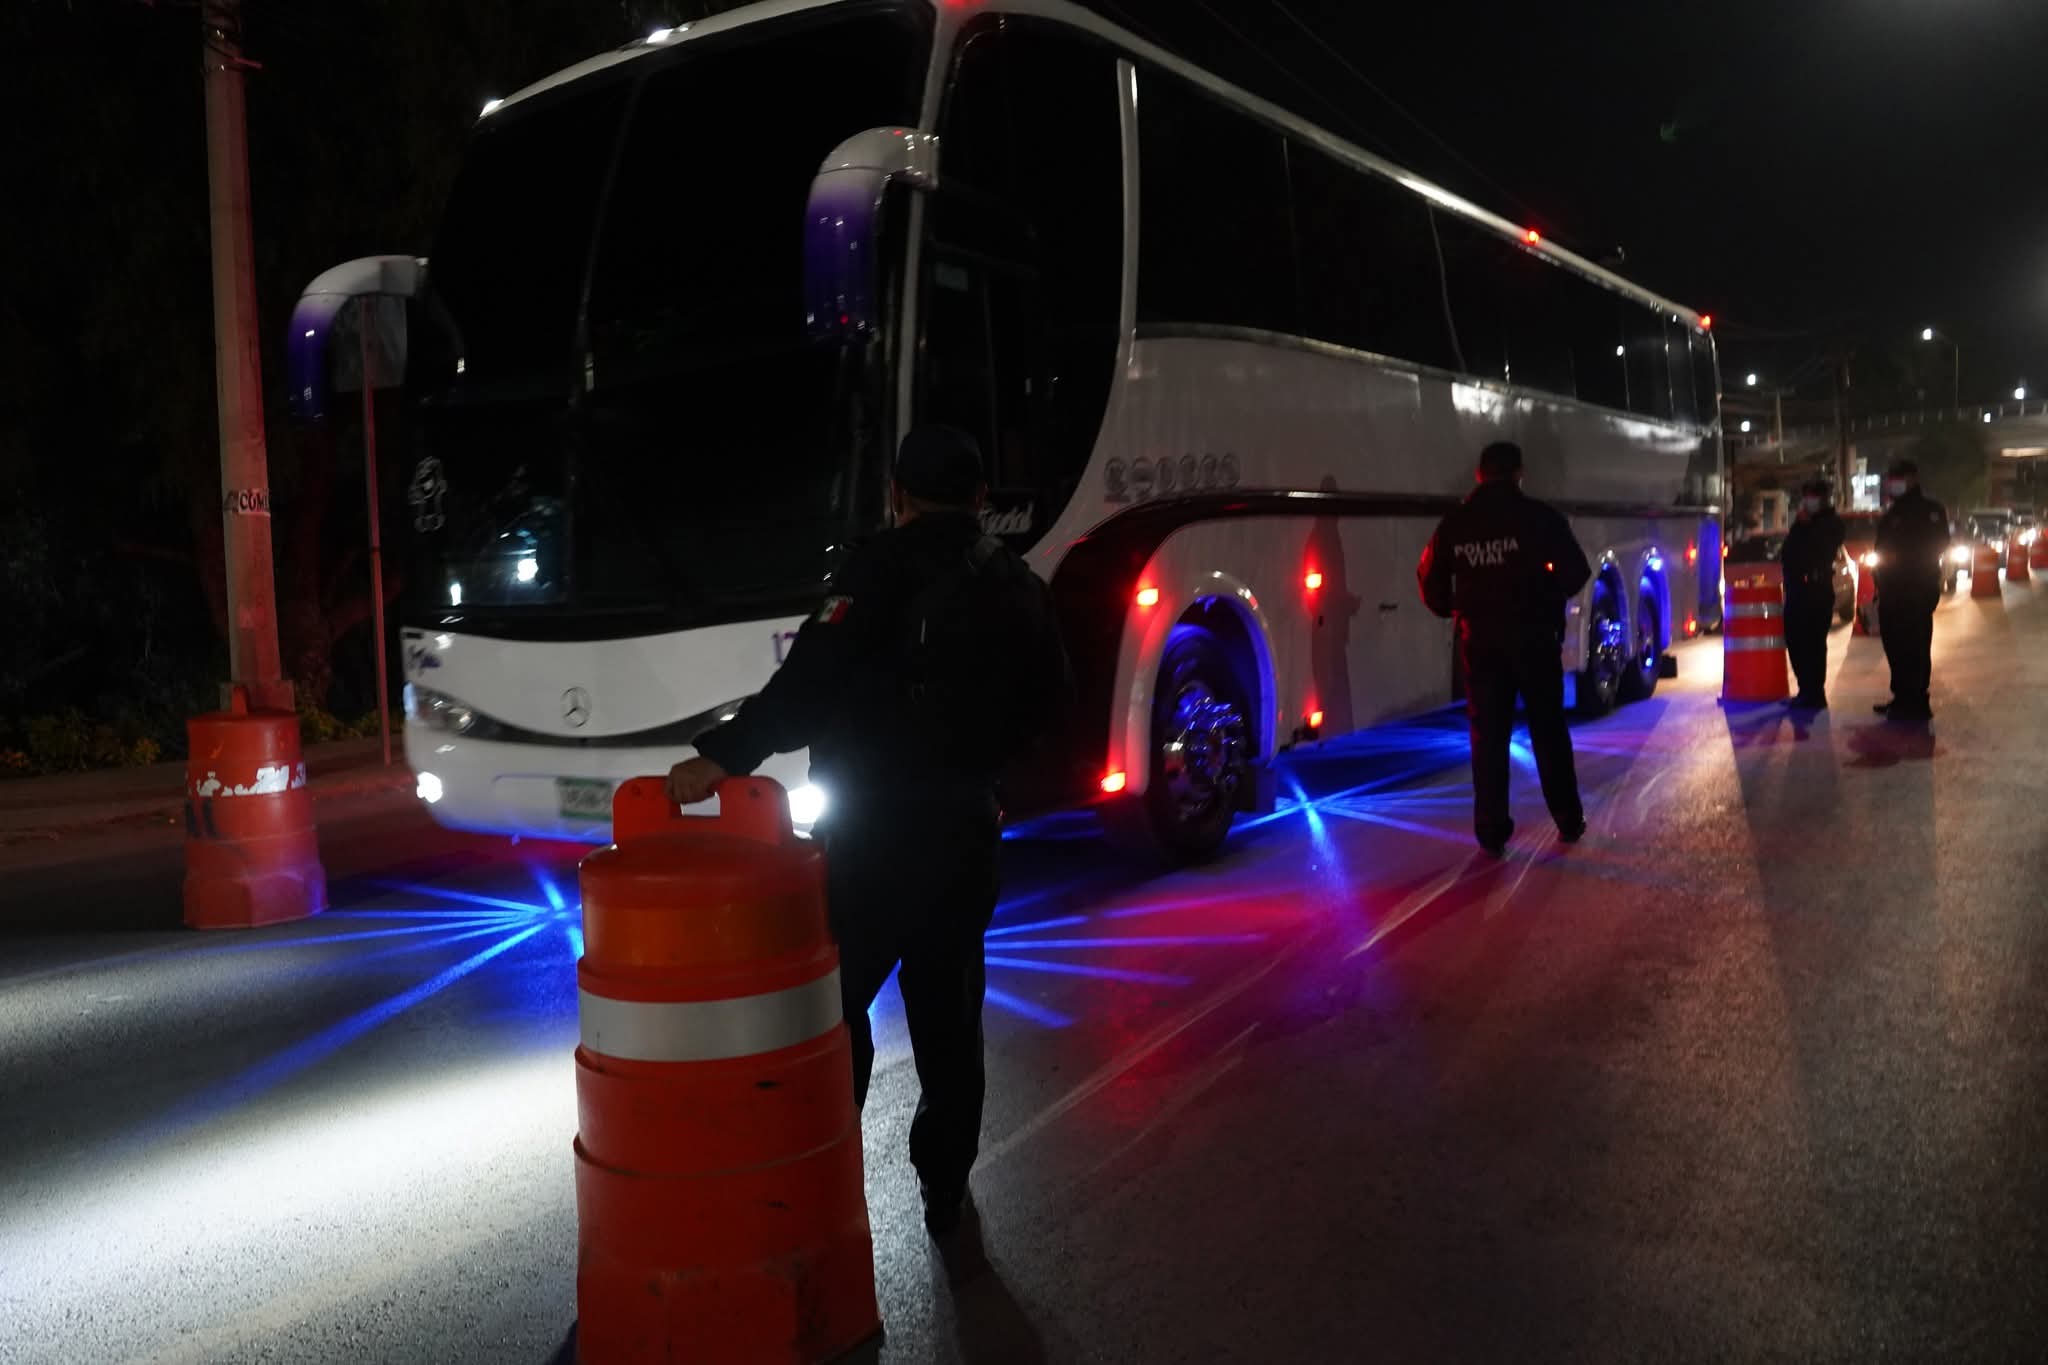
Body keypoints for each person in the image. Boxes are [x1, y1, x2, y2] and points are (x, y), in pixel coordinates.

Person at [666, 424, 1070, 1236]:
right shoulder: (1017, 583)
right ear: (980, 499)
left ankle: (822, 1171)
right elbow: (1051, 701)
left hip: (873, 838)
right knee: (950, 1021)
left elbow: (806, 686)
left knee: (835, 1007)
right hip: (964, 834)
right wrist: (987, 778)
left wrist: (724, 756)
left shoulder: (873, 570)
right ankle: (944, 1188)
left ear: (897, 495)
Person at [1418, 441, 1593, 856]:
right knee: (1548, 731)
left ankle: (1491, 830)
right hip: (1535, 640)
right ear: (1518, 474)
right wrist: (1546, 597)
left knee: (1488, 738)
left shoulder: (1455, 524)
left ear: (1479, 475)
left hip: (1480, 644)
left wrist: (1456, 608)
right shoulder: (1540, 518)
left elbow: (1429, 580)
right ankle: (1568, 819)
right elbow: (1576, 571)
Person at [1871, 457, 1947, 721]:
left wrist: (1904, 558)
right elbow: (1881, 549)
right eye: (1891, 479)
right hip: (1891, 590)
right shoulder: (1891, 514)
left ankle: (1917, 701)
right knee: (1894, 645)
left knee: (1915, 645)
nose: (1893, 484)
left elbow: (1939, 543)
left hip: (1917, 589)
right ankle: (1902, 697)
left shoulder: (1930, 510)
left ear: (1913, 479)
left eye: (1898, 478)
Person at [1778, 477, 1846, 709]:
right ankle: (1805, 690)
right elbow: (1789, 550)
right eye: (1806, 496)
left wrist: (1807, 526)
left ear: (1824, 498)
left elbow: (1821, 549)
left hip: (1816, 589)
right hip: (1797, 589)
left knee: (1813, 643)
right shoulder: (1802, 523)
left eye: (1813, 496)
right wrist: (1801, 526)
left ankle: (1815, 693)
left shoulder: (1831, 523)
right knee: (1795, 640)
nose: (1809, 501)